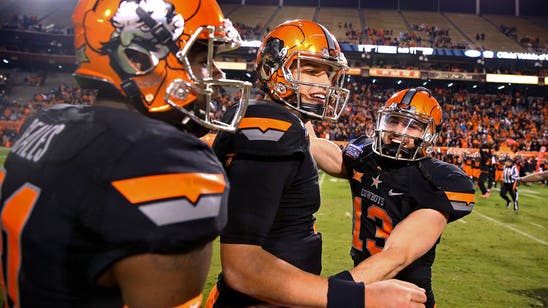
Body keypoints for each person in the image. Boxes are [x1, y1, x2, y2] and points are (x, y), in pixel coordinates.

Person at [0, 0, 251, 306]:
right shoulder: (165, 160)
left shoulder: (47, 121)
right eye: (201, 59)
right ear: (138, 58)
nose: (218, 75)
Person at [206, 20, 427, 307]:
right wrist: (359, 297)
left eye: (330, 74)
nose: (325, 84)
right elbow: (244, 267)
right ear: (273, 69)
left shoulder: (285, 123)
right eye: (311, 71)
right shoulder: (271, 126)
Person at [308, 87, 476, 308]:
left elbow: (396, 256)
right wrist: (298, 111)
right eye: (393, 121)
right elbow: (319, 147)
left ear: (429, 134)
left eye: (413, 125)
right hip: (363, 286)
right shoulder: (365, 155)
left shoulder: (436, 179)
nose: (399, 130)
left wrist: (327, 292)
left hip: (405, 299)